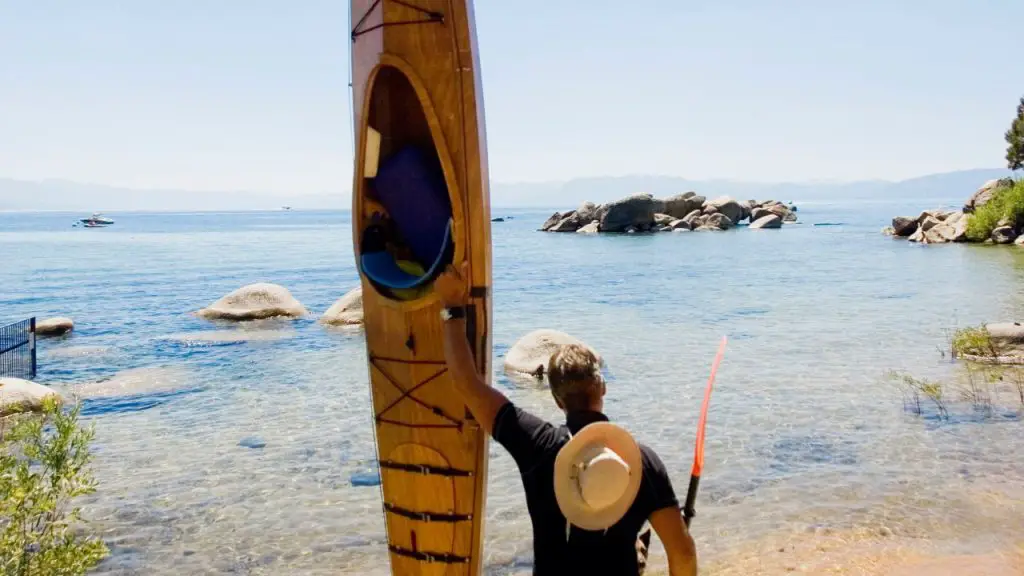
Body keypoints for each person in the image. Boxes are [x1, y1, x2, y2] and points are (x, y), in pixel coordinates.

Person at [435, 263, 698, 576]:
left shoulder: (538, 445)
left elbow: (467, 384)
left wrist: (452, 307)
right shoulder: (642, 462)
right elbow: (681, 552)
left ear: (557, 399)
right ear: (602, 387)